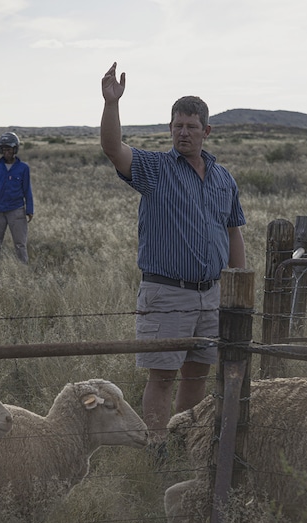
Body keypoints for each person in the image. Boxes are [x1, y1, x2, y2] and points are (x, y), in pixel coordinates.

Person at [100, 62, 247, 444]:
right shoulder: (156, 169)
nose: (183, 132)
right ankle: (157, 446)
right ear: (170, 129)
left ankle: (183, 441)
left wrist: (238, 289)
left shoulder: (222, 178)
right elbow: (113, 149)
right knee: (162, 375)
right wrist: (111, 104)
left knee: (197, 373)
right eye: (177, 125)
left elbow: (233, 232)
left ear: (206, 131)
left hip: (212, 294)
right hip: (167, 292)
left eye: (191, 126)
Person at [0, 132, 34, 263]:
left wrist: (29, 210)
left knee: (20, 243)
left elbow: (27, 190)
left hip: (16, 210)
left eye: (9, 149)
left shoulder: (23, 168)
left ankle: (23, 268)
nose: (6, 152)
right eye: (4, 149)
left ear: (15, 149)